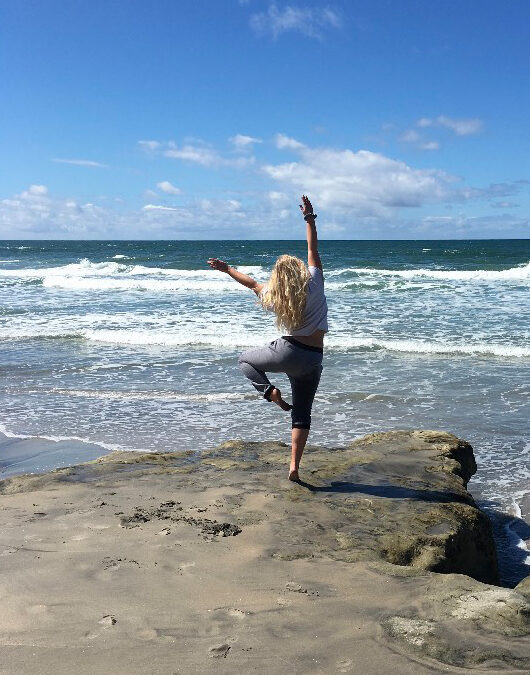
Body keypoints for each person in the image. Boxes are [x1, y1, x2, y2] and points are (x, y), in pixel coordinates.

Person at [207, 195, 328, 482]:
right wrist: (309, 218)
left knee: (245, 359)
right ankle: (294, 467)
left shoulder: (275, 297)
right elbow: (313, 247)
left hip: (286, 351)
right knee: (302, 414)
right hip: (313, 358)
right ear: (299, 271)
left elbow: (251, 283)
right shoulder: (315, 281)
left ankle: (269, 392)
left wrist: (226, 270)